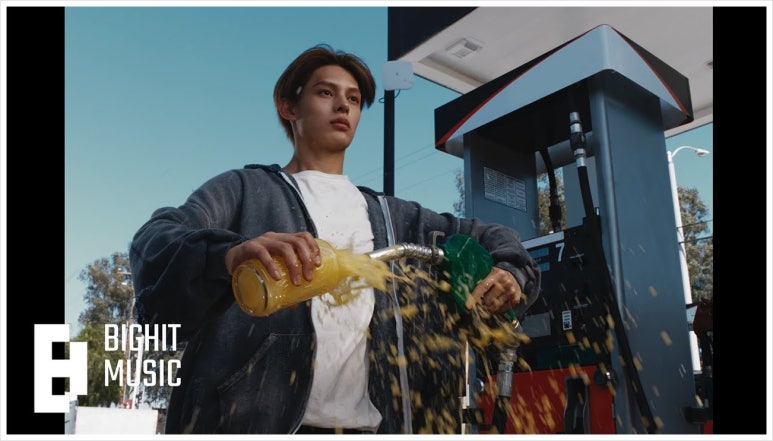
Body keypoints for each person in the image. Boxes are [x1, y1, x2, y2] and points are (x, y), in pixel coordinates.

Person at [129, 44, 541, 435]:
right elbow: (155, 241)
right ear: (288, 107)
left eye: (355, 98)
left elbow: (492, 236)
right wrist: (228, 255)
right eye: (326, 92)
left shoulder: (395, 218)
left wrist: (510, 271)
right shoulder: (244, 190)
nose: (343, 105)